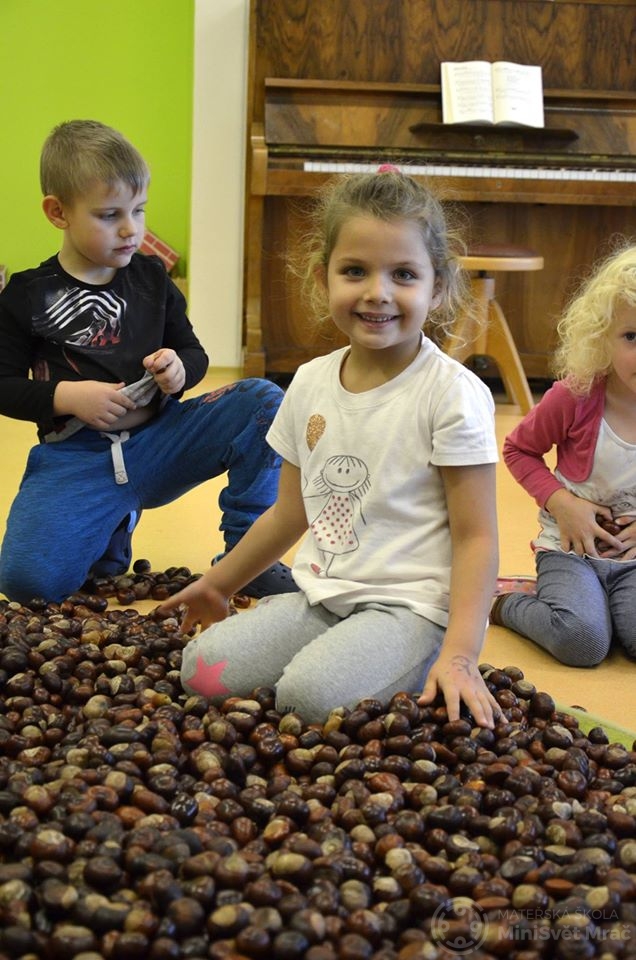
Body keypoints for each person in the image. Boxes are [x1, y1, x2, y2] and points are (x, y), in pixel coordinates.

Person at [159, 168, 500, 727]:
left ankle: (406, 659)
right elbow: (290, 512)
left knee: (309, 699)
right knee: (201, 671)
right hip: (324, 595)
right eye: (355, 271)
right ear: (323, 279)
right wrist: (218, 585)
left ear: (437, 286)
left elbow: (477, 536)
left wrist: (461, 653)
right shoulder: (311, 383)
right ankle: (348, 650)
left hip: (413, 609)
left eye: (404, 274)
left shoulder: (451, 395)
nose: (377, 292)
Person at [0, 119, 298, 605]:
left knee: (263, 399)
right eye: (108, 214)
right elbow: (3, 385)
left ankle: (247, 553)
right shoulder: (24, 296)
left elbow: (195, 354)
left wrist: (180, 369)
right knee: (28, 583)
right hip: (78, 459)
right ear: (58, 212)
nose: (130, 229)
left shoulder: (151, 280)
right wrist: (68, 397)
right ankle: (112, 522)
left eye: (138, 211)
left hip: (163, 442)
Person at [492, 243, 636, 667]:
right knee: (583, 643)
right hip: (569, 549)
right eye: (632, 336)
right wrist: (563, 503)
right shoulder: (575, 396)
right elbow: (519, 449)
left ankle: (600, 607)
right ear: (603, 337)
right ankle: (502, 602)